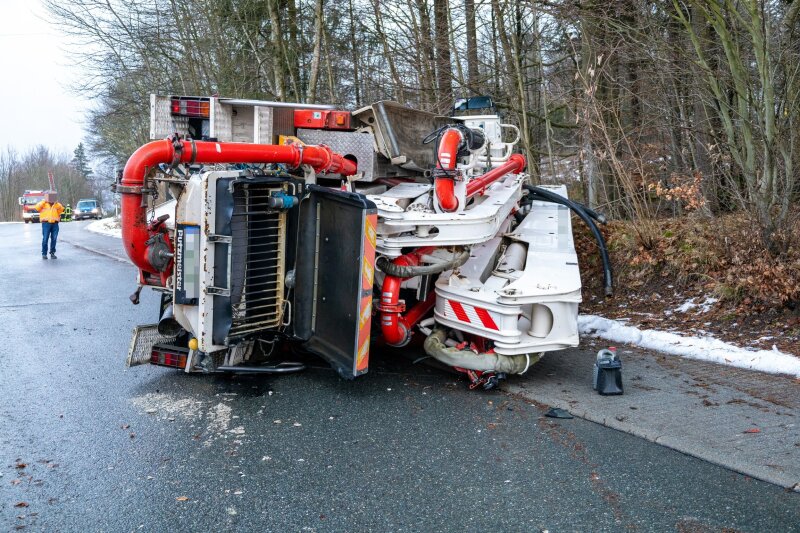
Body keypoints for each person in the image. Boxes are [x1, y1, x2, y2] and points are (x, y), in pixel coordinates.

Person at [33, 192, 64, 259]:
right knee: (45, 238)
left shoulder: (56, 204)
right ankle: (44, 254)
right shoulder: (43, 203)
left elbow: (61, 210)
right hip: (46, 223)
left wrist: (57, 203)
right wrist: (44, 201)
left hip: (55, 224)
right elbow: (37, 208)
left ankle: (52, 253)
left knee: (54, 239)